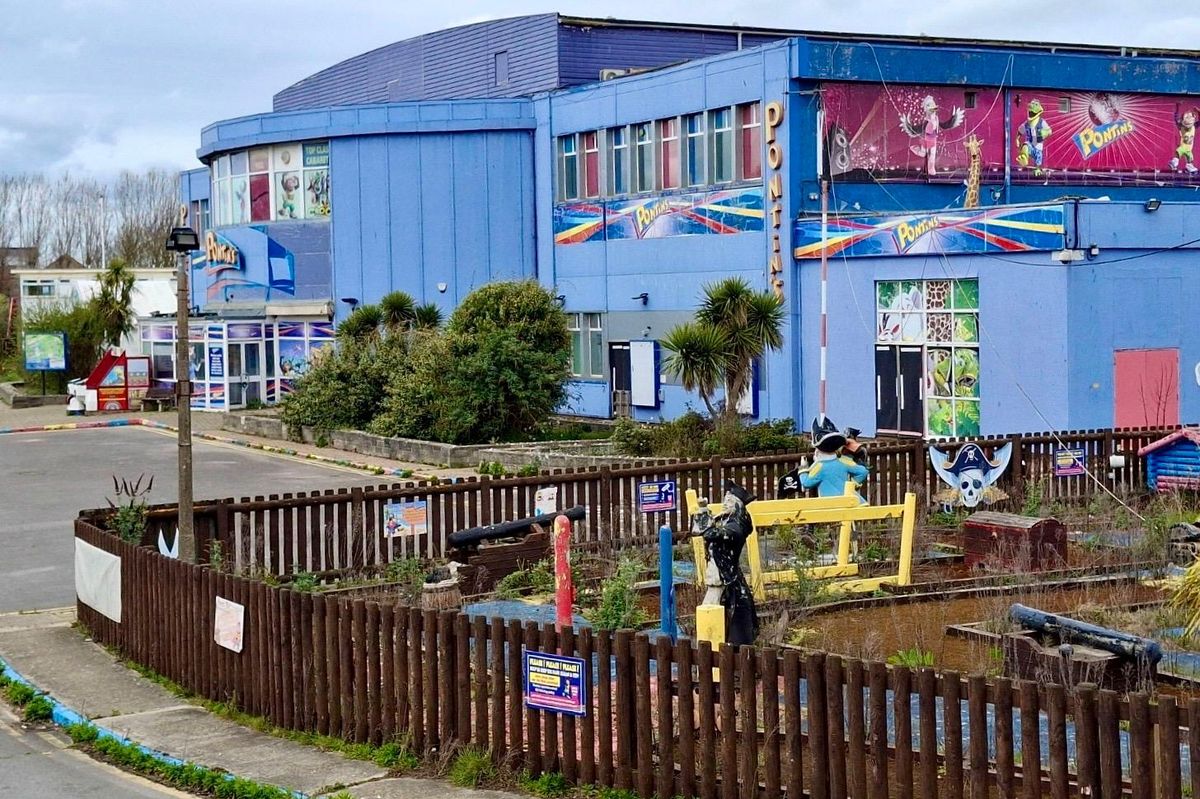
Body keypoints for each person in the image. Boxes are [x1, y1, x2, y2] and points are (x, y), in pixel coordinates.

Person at [799, 415, 869, 503]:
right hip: (852, 502)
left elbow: (807, 483)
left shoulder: (819, 466)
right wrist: (852, 485)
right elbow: (863, 471)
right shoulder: (844, 461)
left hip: (832, 505)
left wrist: (803, 469)